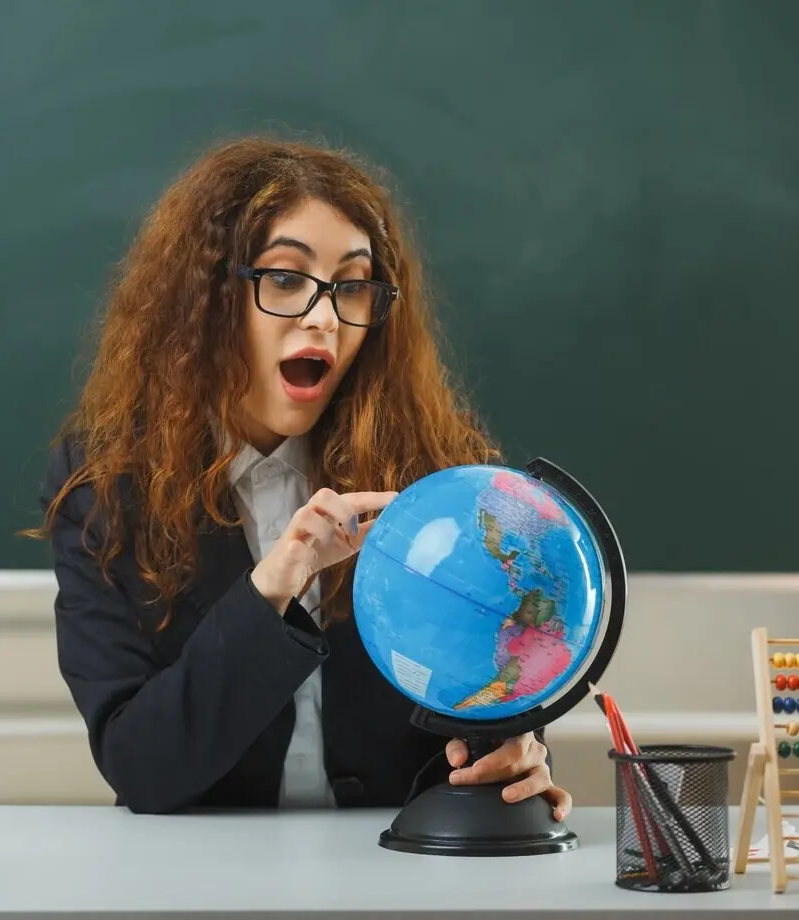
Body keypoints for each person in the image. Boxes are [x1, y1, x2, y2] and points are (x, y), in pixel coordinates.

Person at [30, 136, 572, 818]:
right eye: (285, 278)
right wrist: (272, 588)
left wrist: (514, 752)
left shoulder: (434, 477)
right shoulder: (104, 486)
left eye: (352, 286)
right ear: (206, 300)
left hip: (400, 874)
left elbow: (492, 698)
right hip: (198, 878)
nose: (324, 316)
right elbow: (142, 767)